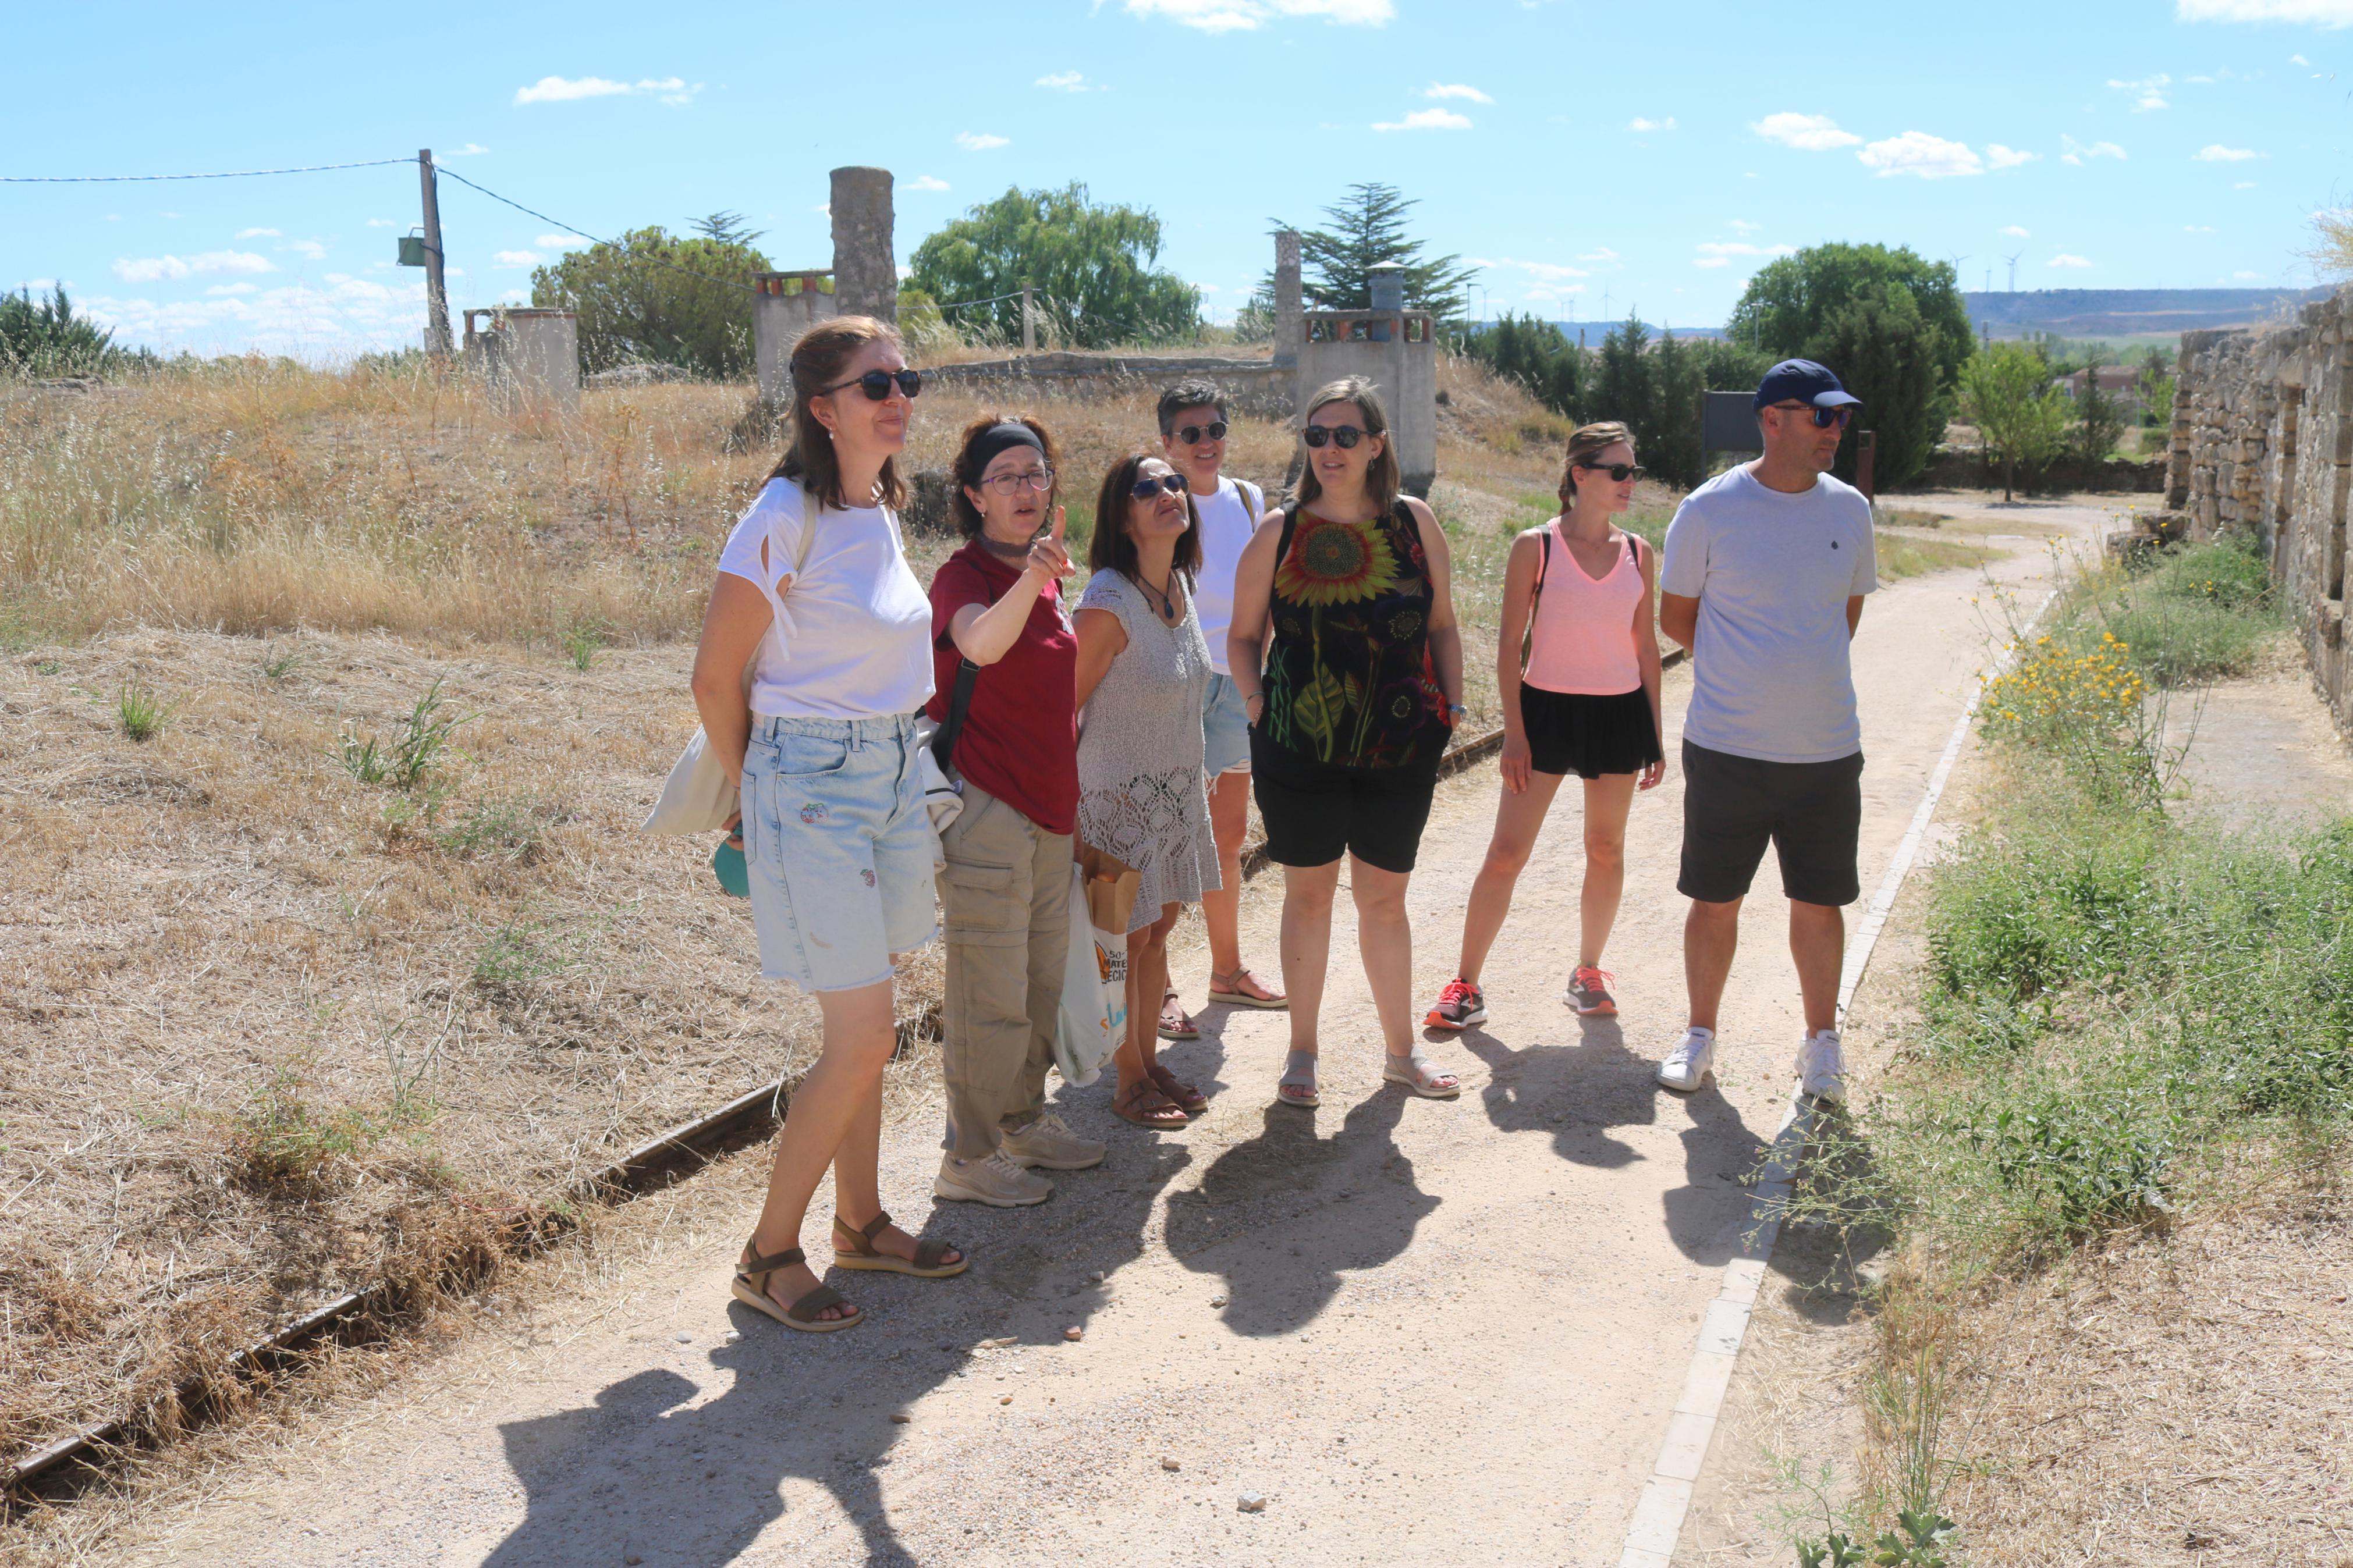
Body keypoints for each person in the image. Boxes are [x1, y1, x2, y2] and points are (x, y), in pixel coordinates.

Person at [690, 316, 963, 1334]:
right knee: (861, 1037)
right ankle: (768, 1255)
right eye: (875, 382)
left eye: (907, 378)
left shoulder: (877, 510)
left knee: (872, 1028)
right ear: (821, 408)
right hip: (810, 785)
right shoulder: (780, 513)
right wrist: (753, 794)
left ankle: (860, 1222)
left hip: (892, 771)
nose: (899, 395)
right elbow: (715, 678)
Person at [1226, 378, 1468, 1109]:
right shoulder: (1280, 530)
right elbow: (1241, 637)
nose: (1328, 449)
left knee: (1384, 902)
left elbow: (1443, 623)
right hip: (1298, 746)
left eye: (1344, 435)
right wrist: (1256, 701)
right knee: (1308, 897)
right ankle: (1302, 1050)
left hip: (1401, 746)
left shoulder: (1414, 523)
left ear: (1374, 444)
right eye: (1316, 435)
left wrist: (1453, 703)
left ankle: (1400, 1054)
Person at [1652, 360, 1877, 1105]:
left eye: (1840, 417)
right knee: (1713, 900)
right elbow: (1676, 619)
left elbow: (1843, 617)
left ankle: (1820, 1048)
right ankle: (1698, 1037)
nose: (1835, 431)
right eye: (1822, 417)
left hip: (1824, 749)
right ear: (1771, 419)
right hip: (1726, 746)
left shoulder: (1849, 510)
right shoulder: (1708, 510)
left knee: (1820, 902)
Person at [1425, 422, 1667, 1032]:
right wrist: (1514, 731)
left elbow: (1645, 649)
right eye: (1617, 471)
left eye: (1632, 471)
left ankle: (1589, 970)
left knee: (1605, 849)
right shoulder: (1535, 547)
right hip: (1545, 711)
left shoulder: (1639, 552)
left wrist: (1655, 735)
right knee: (1506, 852)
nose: (1628, 482)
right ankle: (1466, 983)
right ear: (1578, 476)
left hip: (1617, 716)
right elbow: (1508, 646)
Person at [926, 414, 1108, 1207]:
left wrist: (1042, 576)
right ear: (973, 495)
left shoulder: (1048, 572)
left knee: (1037, 982)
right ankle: (966, 1156)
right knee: (986, 990)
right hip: (987, 806)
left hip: (1048, 805)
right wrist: (1033, 577)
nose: (1026, 490)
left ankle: (1022, 1120)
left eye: (1035, 473)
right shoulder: (961, 577)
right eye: (1005, 477)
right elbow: (979, 647)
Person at [1072, 453, 1222, 1129]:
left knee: (1157, 934)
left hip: (1172, 796)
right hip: (1114, 805)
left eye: (1174, 484)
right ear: (1122, 516)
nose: (1167, 493)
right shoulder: (1106, 600)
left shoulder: (1180, 586)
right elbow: (1062, 712)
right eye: (1147, 488)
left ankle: (1146, 1059)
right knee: (1121, 946)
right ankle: (1127, 1080)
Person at [1153, 379, 1287, 1046]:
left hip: (1235, 682)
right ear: (1166, 442)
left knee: (1228, 838)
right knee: (1170, 840)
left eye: (1215, 429)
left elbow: (1261, 590)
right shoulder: (1154, 501)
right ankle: (1159, 986)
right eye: (1190, 434)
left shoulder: (1246, 498)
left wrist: (1257, 668)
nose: (1205, 443)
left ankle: (1227, 970)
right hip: (1174, 687)